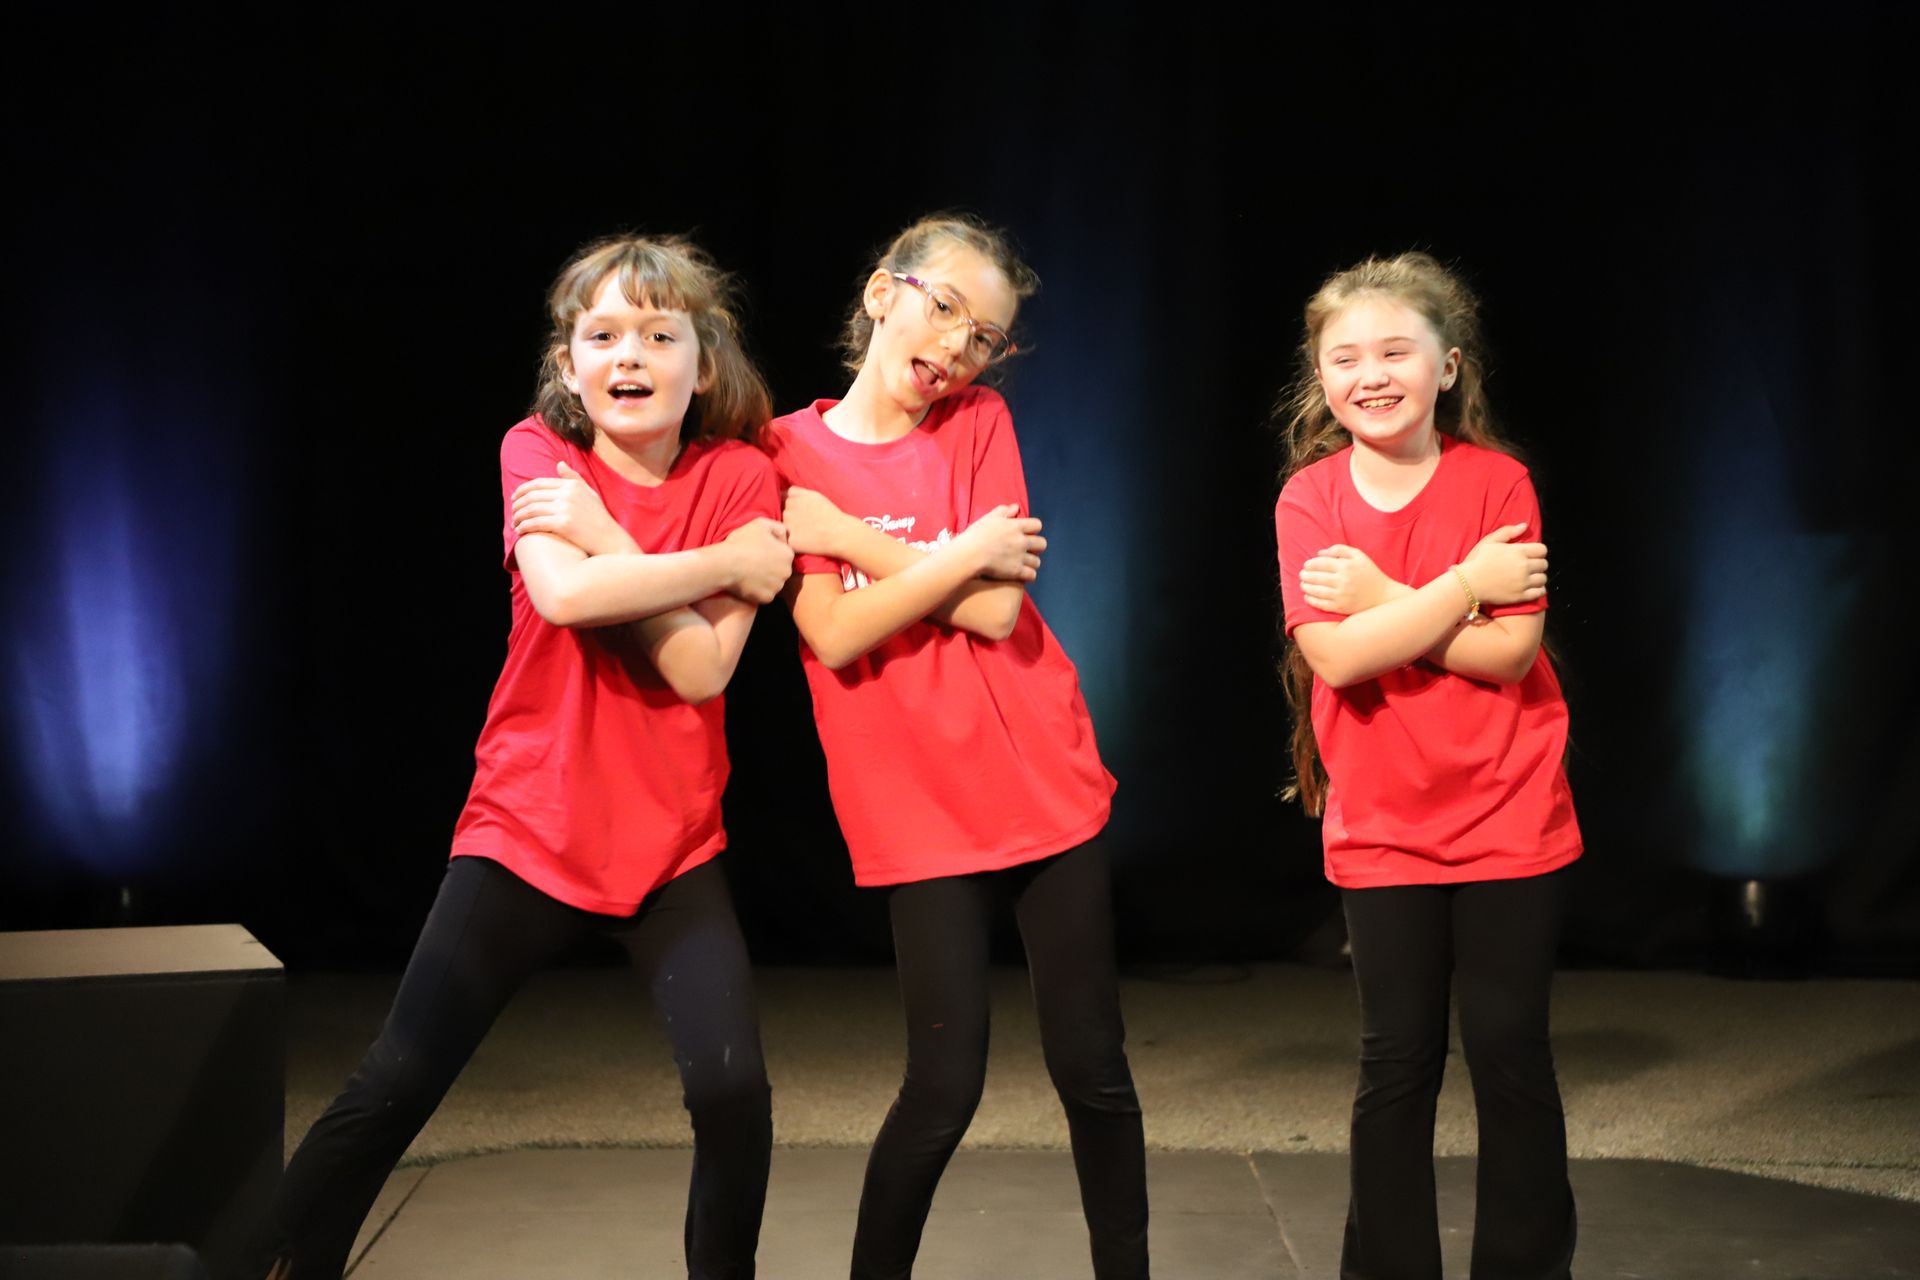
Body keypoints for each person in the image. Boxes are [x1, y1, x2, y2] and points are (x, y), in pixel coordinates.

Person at [263, 234, 793, 1280]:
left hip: (669, 844)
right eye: (601, 334)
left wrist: (631, 542)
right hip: (528, 828)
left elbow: (699, 669)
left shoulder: (741, 476)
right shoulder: (537, 455)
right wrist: (695, 557)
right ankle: (278, 1260)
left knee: (734, 1094)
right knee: (398, 1077)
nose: (628, 353)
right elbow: (562, 594)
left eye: (657, 332)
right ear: (568, 366)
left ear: (703, 360)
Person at [764, 214, 1149, 1280]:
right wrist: (951, 553)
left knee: (1093, 1066)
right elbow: (834, 631)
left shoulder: (978, 422)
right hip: (913, 800)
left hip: (1041, 770)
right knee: (943, 1085)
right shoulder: (785, 451)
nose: (959, 349)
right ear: (884, 293)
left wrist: (848, 539)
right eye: (945, 309)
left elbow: (993, 616)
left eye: (986, 336)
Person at [1273, 251, 1581, 1280]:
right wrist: (1460, 583)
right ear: (1321, 379)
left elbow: (1510, 651)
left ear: (1448, 365)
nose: (1372, 372)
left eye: (1396, 350)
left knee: (1510, 1053)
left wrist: (1384, 596)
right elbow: (1337, 653)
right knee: (1396, 1062)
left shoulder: (1500, 482)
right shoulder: (1310, 500)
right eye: (1345, 356)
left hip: (1509, 812)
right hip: (1384, 824)